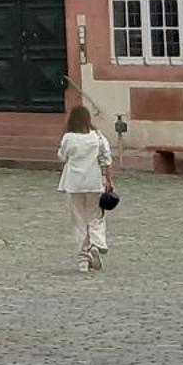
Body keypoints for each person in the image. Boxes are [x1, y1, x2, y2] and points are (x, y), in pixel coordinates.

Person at [56, 104, 113, 275]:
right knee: (95, 216)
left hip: (73, 183)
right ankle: (97, 243)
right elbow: (106, 160)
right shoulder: (98, 137)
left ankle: (83, 260)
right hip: (94, 181)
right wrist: (109, 181)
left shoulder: (68, 138)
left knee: (79, 221)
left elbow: (62, 156)